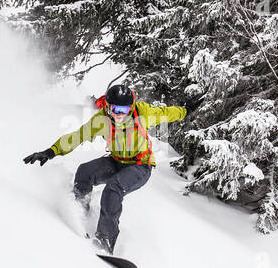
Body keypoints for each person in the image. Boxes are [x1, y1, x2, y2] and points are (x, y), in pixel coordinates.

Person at [23, 82, 186, 253]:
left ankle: (106, 239)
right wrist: (50, 152)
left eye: (123, 110)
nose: (119, 115)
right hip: (116, 161)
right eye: (115, 110)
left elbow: (167, 113)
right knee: (84, 172)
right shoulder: (102, 120)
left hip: (140, 166)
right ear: (107, 107)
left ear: (131, 108)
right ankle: (81, 212)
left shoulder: (142, 112)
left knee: (113, 188)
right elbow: (77, 136)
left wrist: (185, 111)